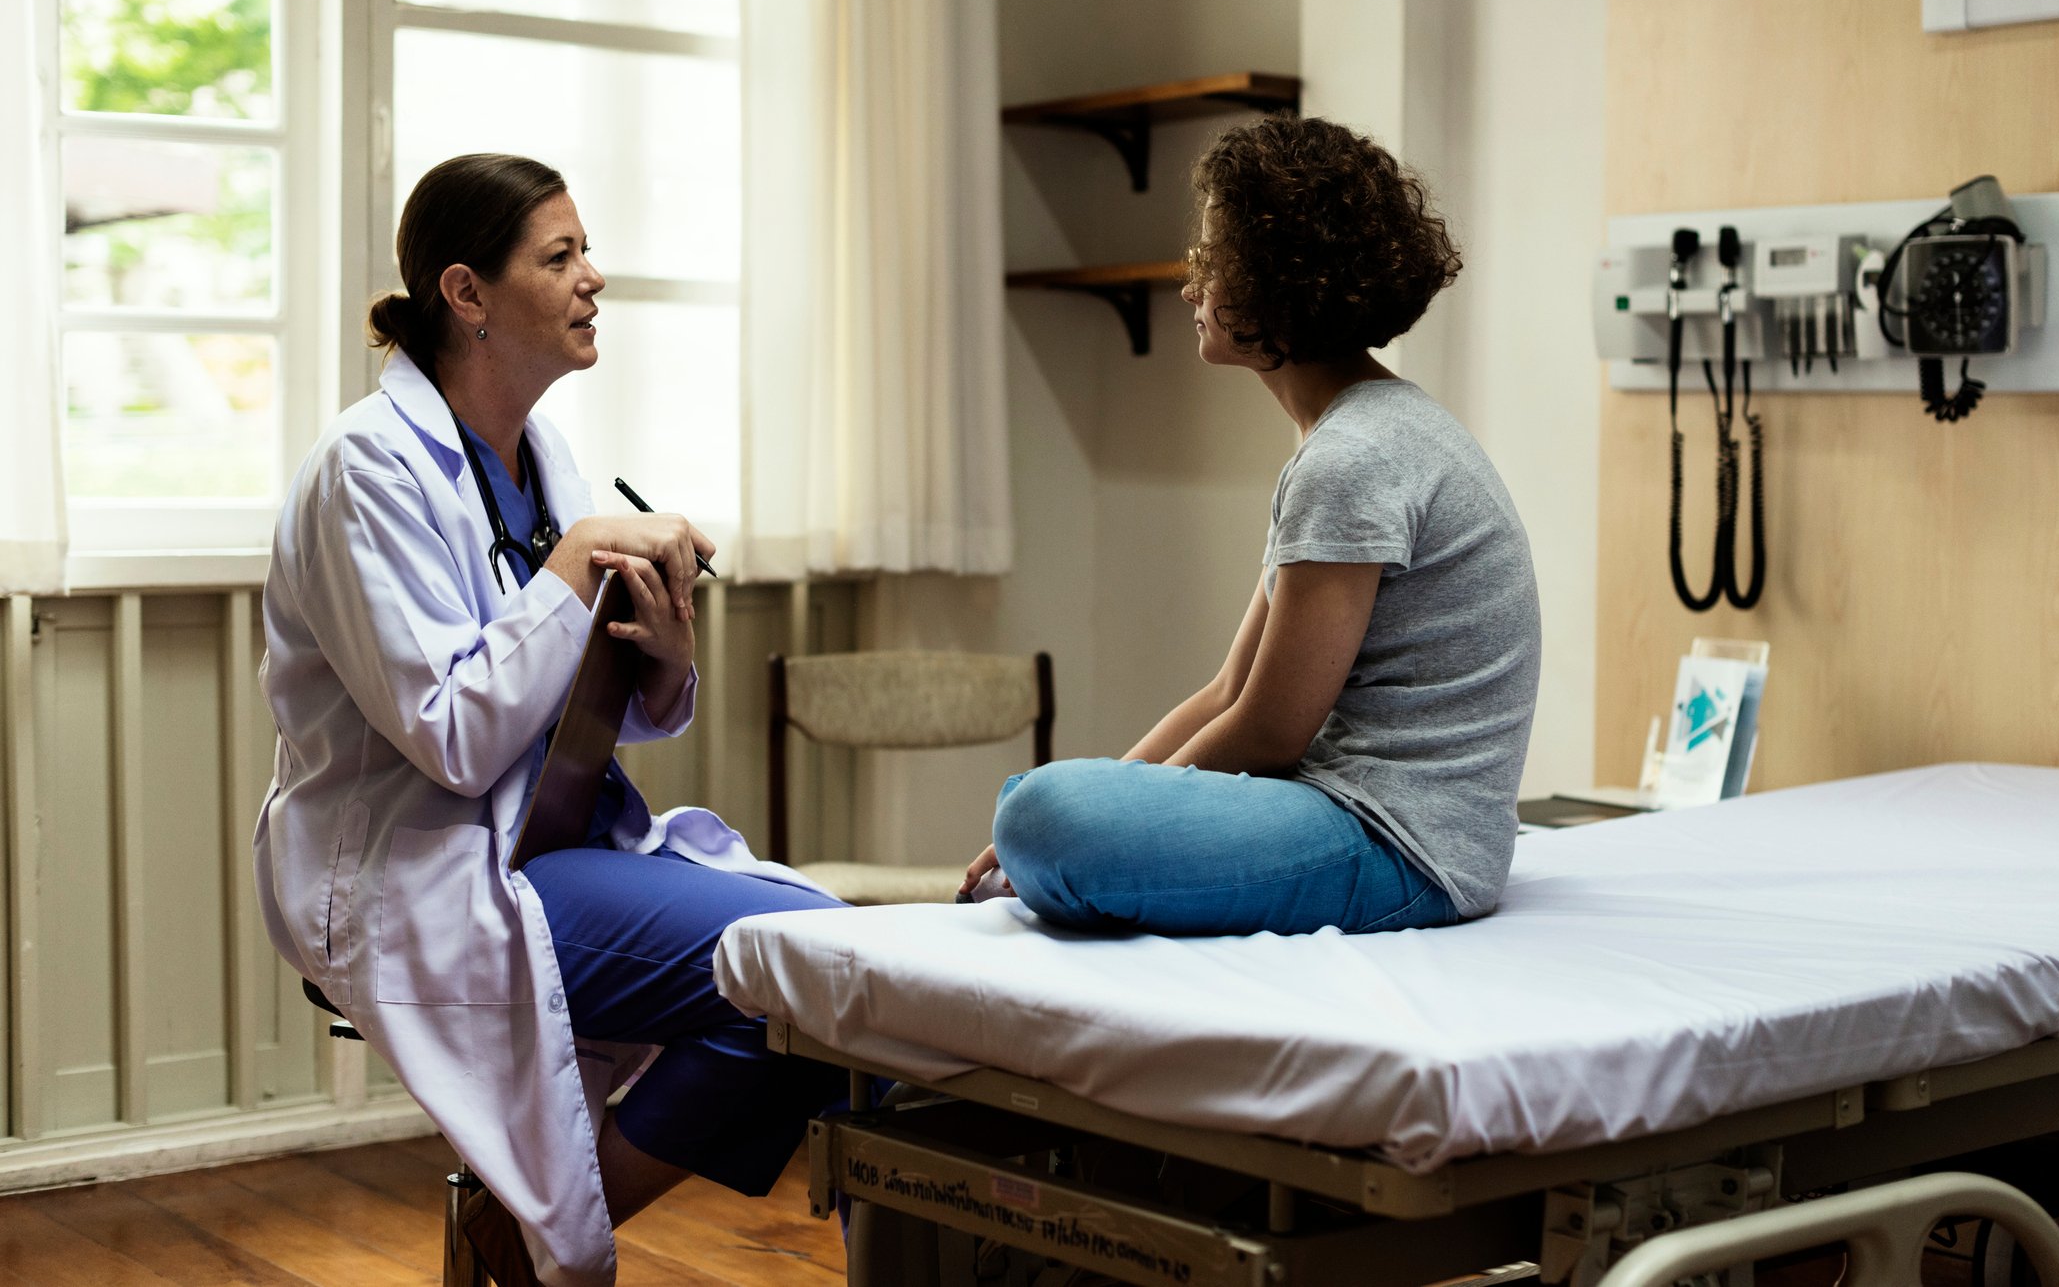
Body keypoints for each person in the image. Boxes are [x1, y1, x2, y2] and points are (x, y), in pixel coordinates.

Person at [253, 154, 846, 1287]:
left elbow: (604, 708)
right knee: (807, 974)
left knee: (840, 952)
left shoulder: (548, 457)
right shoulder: (364, 471)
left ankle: (521, 1242)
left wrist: (663, 654)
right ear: (466, 294)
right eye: (561, 256)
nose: (594, 279)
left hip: (542, 838)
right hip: (412, 868)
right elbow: (455, 737)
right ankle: (536, 1242)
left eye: (587, 253)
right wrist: (575, 567)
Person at [962, 117, 1540, 936]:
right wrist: (1118, 792)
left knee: (1042, 813)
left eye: (1211, 257)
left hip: (1403, 846)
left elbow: (1272, 730)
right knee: (1045, 806)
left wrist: (1091, 813)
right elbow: (1231, 691)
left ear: (1279, 283)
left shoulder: (1354, 458)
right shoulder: (1353, 437)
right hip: (1377, 822)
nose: (1190, 284)